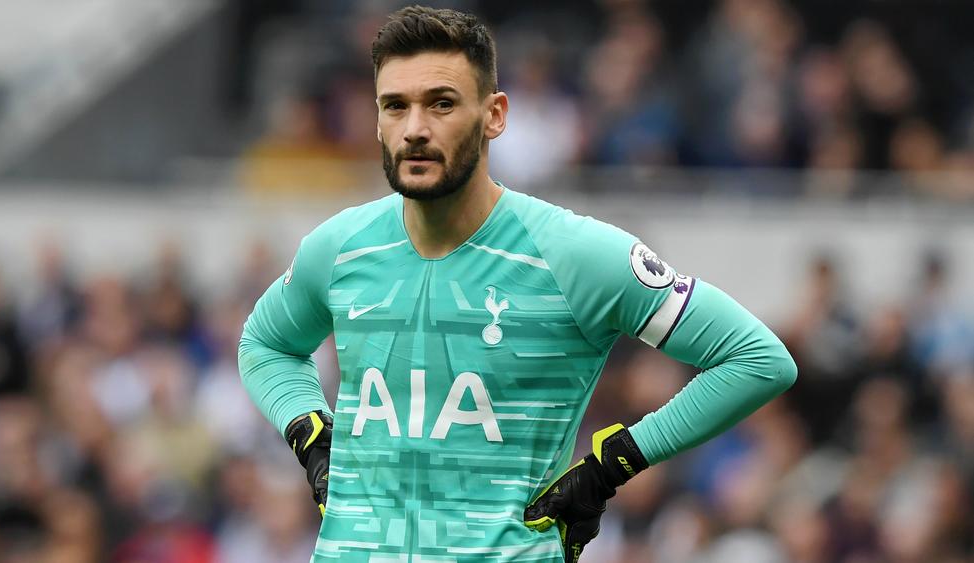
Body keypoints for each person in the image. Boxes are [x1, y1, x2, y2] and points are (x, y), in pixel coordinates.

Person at [238, 6, 797, 562]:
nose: (415, 129)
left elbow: (757, 359)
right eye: (395, 106)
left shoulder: (574, 254)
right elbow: (264, 344)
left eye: (441, 103)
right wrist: (308, 433)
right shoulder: (340, 246)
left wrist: (613, 465)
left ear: (495, 115)